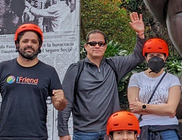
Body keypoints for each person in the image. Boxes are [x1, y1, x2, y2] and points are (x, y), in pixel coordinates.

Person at [58, 12, 146, 140]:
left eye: (101, 43)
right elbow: (65, 102)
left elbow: (137, 57)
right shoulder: (76, 69)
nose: (97, 46)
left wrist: (140, 34)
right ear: (86, 46)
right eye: (93, 43)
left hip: (110, 132)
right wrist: (63, 132)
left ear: (105, 46)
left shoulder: (114, 65)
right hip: (84, 133)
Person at [0, 23, 67, 140]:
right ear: (17, 44)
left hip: (37, 136)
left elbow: (60, 106)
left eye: (34, 42)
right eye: (25, 41)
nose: (29, 44)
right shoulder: (2, 68)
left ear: (40, 45)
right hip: (6, 136)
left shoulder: (49, 71)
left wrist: (62, 101)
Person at [127, 38, 181, 140]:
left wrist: (142, 106)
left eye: (159, 55)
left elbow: (171, 108)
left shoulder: (172, 79)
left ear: (165, 57)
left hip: (167, 126)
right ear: (146, 57)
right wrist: (163, 109)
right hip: (143, 126)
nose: (155, 59)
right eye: (151, 55)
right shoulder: (136, 78)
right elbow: (134, 108)